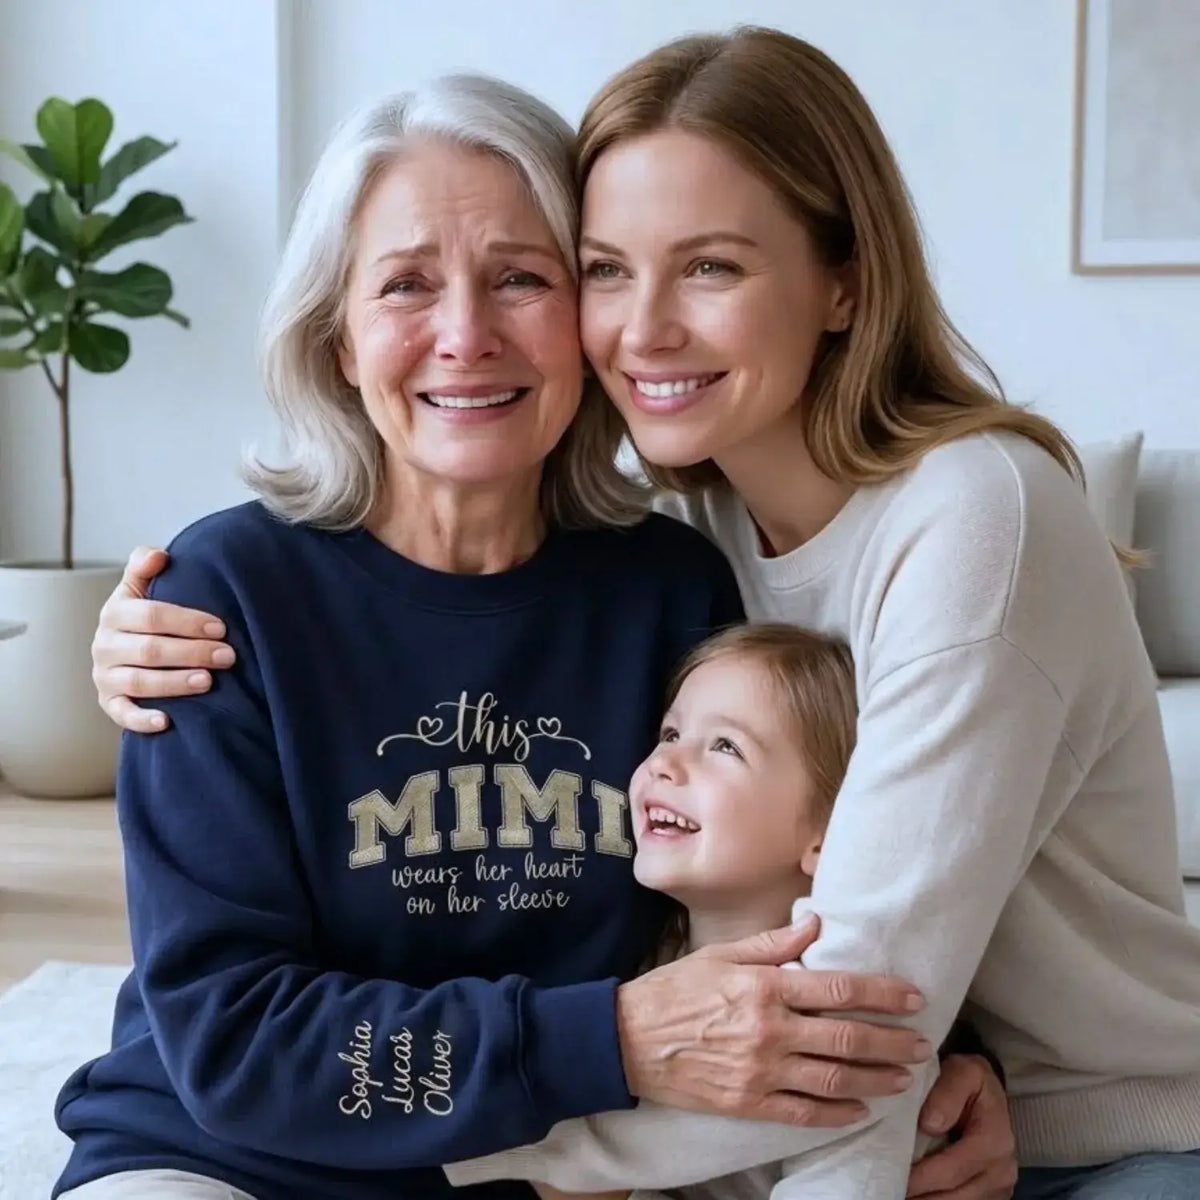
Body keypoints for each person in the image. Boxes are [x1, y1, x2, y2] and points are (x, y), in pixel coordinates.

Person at [94, 24, 1200, 1200]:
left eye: (525, 276)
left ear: (846, 281)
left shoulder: (690, 577)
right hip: (258, 1153)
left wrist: (943, 1065)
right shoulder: (221, 606)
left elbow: (830, 978)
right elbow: (233, 1046)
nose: (469, 334)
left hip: (1030, 1129)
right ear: (336, 332)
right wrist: (608, 1050)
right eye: (612, 269)